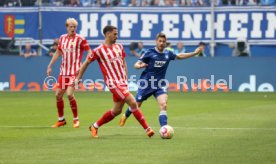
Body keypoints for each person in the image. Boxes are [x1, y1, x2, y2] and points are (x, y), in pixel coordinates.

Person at [75, 25, 154, 138]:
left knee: (116, 111)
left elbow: (123, 62)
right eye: (115, 34)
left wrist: (126, 78)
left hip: (122, 82)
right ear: (108, 34)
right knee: (133, 102)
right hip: (113, 83)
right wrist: (78, 78)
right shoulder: (98, 50)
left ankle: (95, 126)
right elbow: (86, 62)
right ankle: (148, 129)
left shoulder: (119, 47)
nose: (117, 36)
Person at [119, 32, 202, 128]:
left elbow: (180, 56)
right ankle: (125, 115)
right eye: (160, 41)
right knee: (136, 105)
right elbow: (136, 64)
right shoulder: (149, 53)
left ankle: (164, 128)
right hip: (146, 83)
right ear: (156, 41)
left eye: (164, 41)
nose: (162, 43)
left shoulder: (168, 53)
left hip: (160, 84)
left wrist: (195, 53)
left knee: (163, 105)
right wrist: (140, 66)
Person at [47, 18, 92, 128]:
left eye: (74, 27)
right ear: (67, 27)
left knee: (70, 93)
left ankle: (76, 119)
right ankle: (61, 120)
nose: (72, 28)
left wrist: (83, 65)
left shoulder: (80, 39)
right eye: (70, 26)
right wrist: (50, 66)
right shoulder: (62, 38)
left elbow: (89, 52)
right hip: (64, 72)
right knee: (58, 95)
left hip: (75, 72)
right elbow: (58, 52)